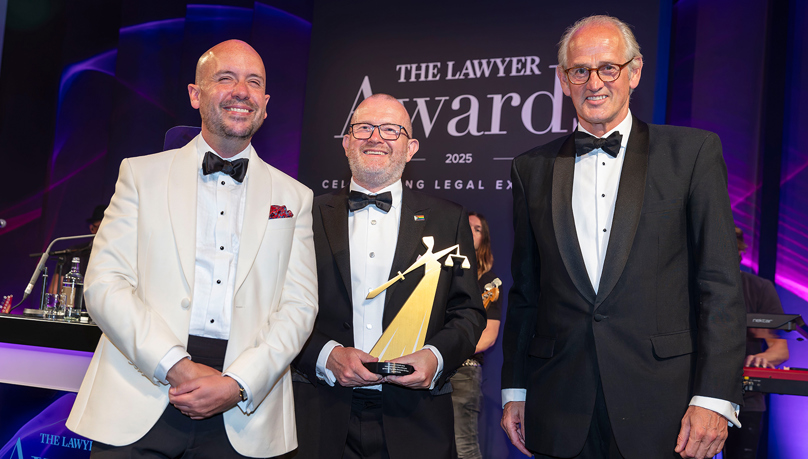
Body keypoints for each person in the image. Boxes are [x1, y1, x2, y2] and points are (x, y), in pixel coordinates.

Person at [500, 15, 746, 459]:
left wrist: (713, 398)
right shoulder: (529, 168)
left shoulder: (692, 154)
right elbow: (526, 292)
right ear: (562, 80)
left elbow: (721, 287)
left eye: (608, 68)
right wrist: (515, 387)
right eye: (580, 70)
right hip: (558, 404)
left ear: (634, 72)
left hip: (665, 410)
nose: (594, 82)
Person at [66, 40, 319, 459]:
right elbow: (105, 284)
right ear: (195, 94)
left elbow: (300, 306)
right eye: (226, 78)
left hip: (245, 410)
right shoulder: (140, 175)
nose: (242, 91)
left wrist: (238, 382)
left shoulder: (295, 196)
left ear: (266, 102)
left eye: (254, 82)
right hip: (140, 388)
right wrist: (175, 366)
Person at [290, 93, 486, 459]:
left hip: (417, 419)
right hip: (320, 415)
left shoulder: (449, 220)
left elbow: (468, 313)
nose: (376, 137)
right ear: (347, 142)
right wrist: (325, 355)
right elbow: (279, 307)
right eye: (364, 127)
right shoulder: (305, 214)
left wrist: (435, 357)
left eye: (391, 130)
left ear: (410, 148)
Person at [724, 227, 789, 459]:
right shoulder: (688, 287)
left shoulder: (759, 288)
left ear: (741, 252)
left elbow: (780, 347)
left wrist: (763, 358)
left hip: (746, 399)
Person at [451, 211, 502, 459]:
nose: (471, 231)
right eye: (467, 226)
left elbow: (489, 336)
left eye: (477, 229)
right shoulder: (439, 272)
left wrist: (445, 352)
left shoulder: (490, 282)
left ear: (485, 239)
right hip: (427, 369)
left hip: (462, 370)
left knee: (464, 447)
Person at [47, 204, 107, 294]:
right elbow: (54, 291)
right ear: (92, 228)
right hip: (75, 306)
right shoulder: (74, 252)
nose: (105, 232)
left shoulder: (119, 255)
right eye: (101, 227)